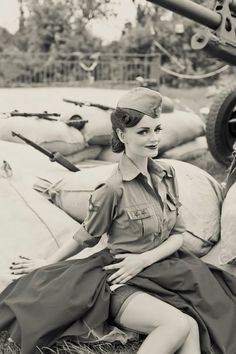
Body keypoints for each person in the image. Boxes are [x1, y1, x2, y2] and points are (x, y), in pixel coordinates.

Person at [1, 87, 236, 354]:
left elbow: (179, 234)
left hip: (159, 271)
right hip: (119, 280)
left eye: (157, 129)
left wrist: (145, 259)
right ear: (123, 135)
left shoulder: (167, 174)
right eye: (143, 132)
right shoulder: (112, 189)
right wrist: (48, 262)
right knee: (176, 325)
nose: (153, 138)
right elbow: (85, 236)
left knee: (193, 325)